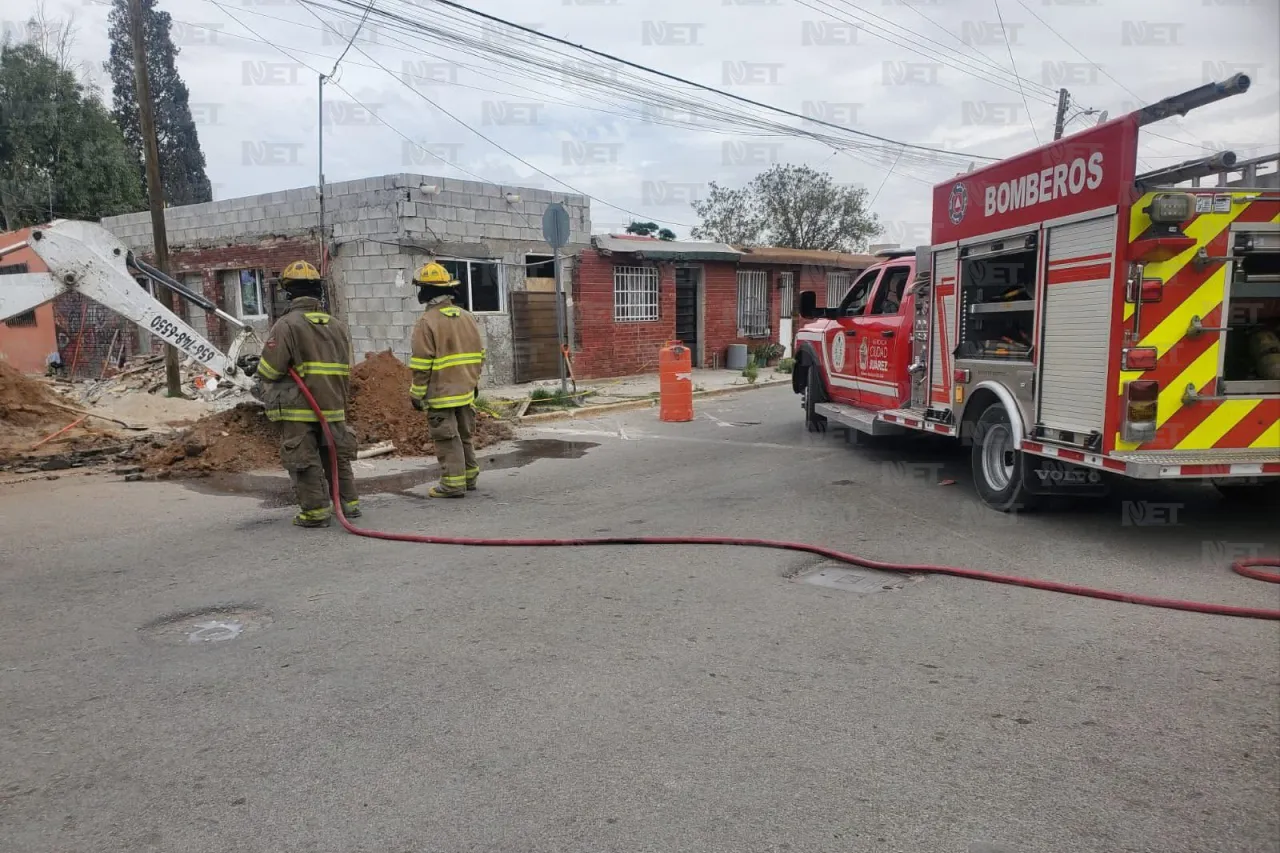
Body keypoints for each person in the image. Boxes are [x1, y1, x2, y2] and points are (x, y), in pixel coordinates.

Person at [252, 261, 359, 527]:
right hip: (333, 403)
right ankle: (349, 504)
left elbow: (270, 370)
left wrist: (261, 368)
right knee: (336, 456)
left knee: (303, 458)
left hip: (299, 407)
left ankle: (315, 512)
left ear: (289, 292)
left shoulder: (287, 325)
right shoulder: (337, 326)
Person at [407, 261, 486, 498]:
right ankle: (469, 478)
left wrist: (416, 394)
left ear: (426, 290)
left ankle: (453, 485)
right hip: (466, 391)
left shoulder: (426, 322)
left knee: (447, 439)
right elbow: (480, 356)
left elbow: (422, 365)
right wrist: (473, 382)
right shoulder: (468, 317)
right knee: (465, 436)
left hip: (441, 394)